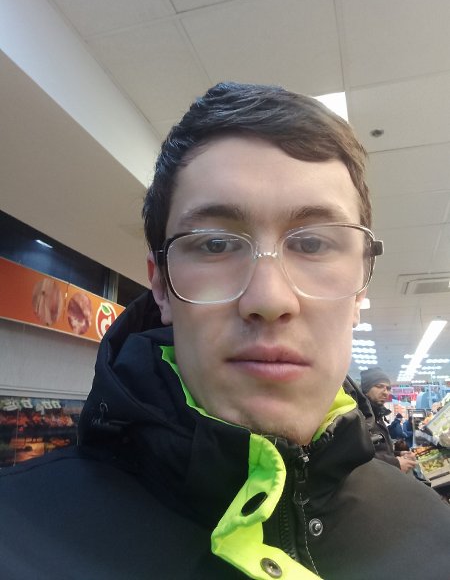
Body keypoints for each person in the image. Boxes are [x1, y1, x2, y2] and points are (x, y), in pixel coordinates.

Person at [1, 82, 449, 580]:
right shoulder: (13, 542)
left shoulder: (434, 534)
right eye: (215, 245)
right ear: (161, 286)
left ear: (361, 287)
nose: (269, 300)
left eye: (313, 244)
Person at [360, 366, 416, 473]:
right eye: (379, 386)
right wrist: (395, 463)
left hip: (384, 476)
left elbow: (378, 452)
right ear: (366, 389)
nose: (385, 392)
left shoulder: (377, 416)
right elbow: (358, 456)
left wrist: (398, 454)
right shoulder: (359, 417)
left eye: (388, 388)